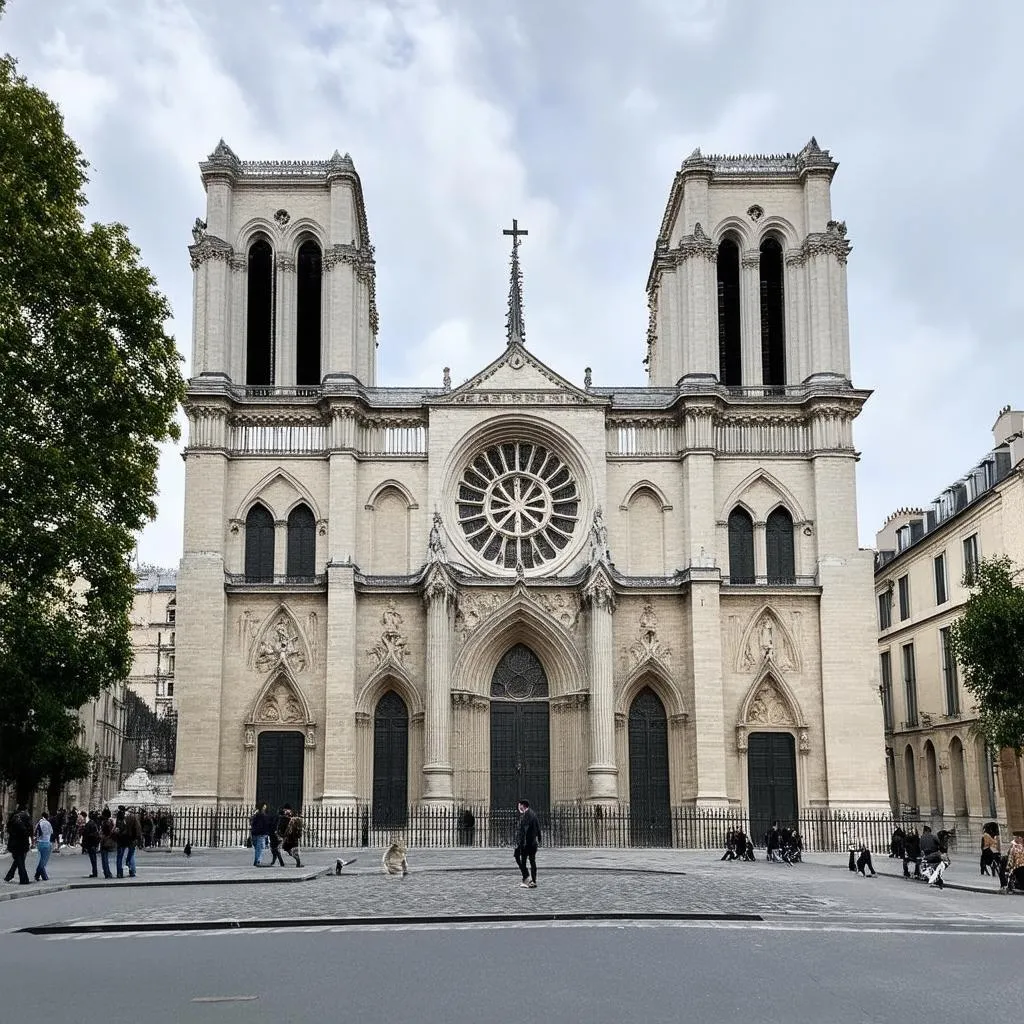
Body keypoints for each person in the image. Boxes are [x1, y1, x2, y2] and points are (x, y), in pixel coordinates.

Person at [514, 799, 541, 889]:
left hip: (527, 843)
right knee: (531, 861)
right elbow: (538, 828)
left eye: (519, 806)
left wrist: (520, 843)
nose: (518, 808)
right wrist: (539, 840)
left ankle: (527, 879)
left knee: (522, 859)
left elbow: (524, 831)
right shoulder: (532, 814)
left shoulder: (527, 815)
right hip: (532, 843)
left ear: (523, 805)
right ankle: (531, 880)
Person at [4, 805, 32, 885]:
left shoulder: (13, 817)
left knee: (18, 859)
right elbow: (30, 829)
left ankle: (9, 876)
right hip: (22, 842)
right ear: (25, 809)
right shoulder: (26, 817)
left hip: (14, 842)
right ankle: (24, 879)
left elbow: (8, 829)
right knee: (20, 861)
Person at [33, 812, 54, 882]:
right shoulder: (48, 823)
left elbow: (35, 833)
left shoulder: (39, 823)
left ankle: (40, 876)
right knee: (43, 861)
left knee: (41, 860)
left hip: (39, 843)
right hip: (46, 843)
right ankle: (38, 875)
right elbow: (51, 832)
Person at [81, 811, 101, 878]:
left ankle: (94, 872)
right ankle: (95, 871)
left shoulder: (89, 824)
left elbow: (86, 834)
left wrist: (84, 844)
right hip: (93, 843)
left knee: (93, 858)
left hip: (90, 843)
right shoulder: (95, 824)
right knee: (94, 858)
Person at [99, 808, 116, 879]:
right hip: (109, 841)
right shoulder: (111, 822)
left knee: (104, 858)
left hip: (105, 841)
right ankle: (107, 872)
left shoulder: (105, 823)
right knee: (105, 858)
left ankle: (107, 872)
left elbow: (105, 832)